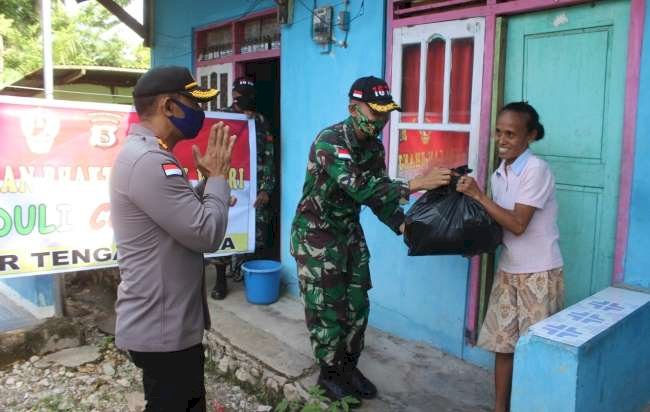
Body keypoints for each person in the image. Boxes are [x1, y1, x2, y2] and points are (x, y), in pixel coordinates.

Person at [290, 76, 452, 405]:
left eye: (386, 113)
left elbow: (378, 198)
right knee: (327, 311)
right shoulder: (331, 141)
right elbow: (359, 187)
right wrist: (417, 182)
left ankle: (349, 368)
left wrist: (405, 226)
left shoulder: (373, 146)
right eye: (375, 113)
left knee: (357, 306)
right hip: (316, 238)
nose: (382, 120)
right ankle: (329, 374)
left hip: (348, 234)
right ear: (353, 108)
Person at [109, 65, 236, 412]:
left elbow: (170, 214)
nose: (200, 111)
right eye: (192, 101)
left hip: (162, 322)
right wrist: (219, 180)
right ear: (168, 106)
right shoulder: (151, 160)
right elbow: (206, 233)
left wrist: (208, 189)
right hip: (162, 330)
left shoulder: (150, 154)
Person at [456, 102, 564, 412]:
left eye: (511, 134)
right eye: (499, 133)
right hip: (509, 271)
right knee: (504, 347)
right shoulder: (499, 174)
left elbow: (517, 224)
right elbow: (498, 223)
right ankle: (500, 408)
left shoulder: (536, 170)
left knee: (537, 351)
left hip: (539, 273)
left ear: (530, 136)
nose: (502, 140)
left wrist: (478, 196)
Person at [210, 77, 277, 300]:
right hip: (227, 182)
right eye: (240, 95)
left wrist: (267, 189)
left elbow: (269, 156)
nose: (243, 99)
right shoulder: (221, 117)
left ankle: (244, 272)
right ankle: (220, 278)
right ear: (233, 95)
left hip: (252, 187)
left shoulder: (260, 121)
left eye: (247, 95)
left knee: (254, 233)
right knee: (223, 229)